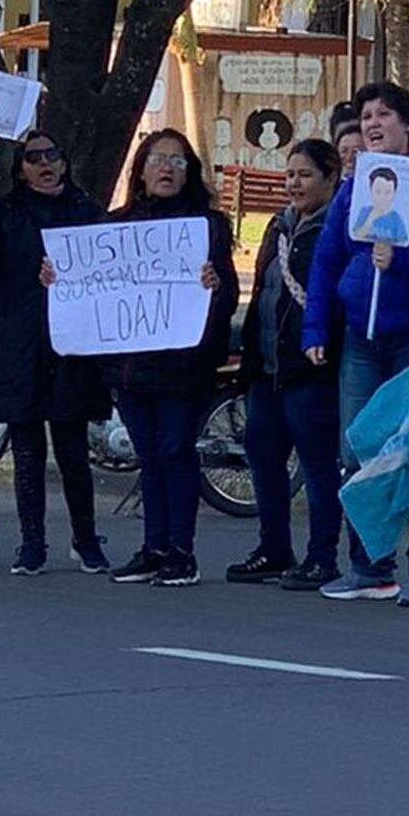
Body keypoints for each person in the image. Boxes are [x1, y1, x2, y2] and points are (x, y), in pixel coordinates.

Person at [302, 81, 409, 607]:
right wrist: (315, 326)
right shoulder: (355, 186)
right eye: (365, 115)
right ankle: (370, 565)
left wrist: (401, 262)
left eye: (383, 115)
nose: (372, 123)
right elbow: (328, 258)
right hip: (361, 337)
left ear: (407, 124)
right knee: (358, 448)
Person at [91, 130, 238, 587]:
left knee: (175, 452)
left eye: (177, 161)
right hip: (131, 367)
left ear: (189, 171)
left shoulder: (207, 226)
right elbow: (93, 290)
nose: (167, 169)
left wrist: (217, 285)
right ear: (142, 169)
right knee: (150, 456)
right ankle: (153, 547)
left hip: (182, 366)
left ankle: (181, 551)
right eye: (158, 159)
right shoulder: (116, 227)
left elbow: (228, 296)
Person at [0, 131, 113, 576]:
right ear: (21, 169)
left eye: (53, 154)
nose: (45, 163)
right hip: (21, 343)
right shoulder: (5, 213)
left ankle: (86, 538)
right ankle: (31, 542)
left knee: (72, 451)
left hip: (70, 346)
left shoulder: (86, 211)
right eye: (34, 158)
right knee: (28, 451)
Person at [227, 139, 348, 590]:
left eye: (305, 174)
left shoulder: (337, 231)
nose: (294, 183)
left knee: (317, 465)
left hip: (311, 368)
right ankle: (274, 547)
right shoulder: (278, 227)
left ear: (331, 177)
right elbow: (262, 293)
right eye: (290, 174)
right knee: (263, 458)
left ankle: (322, 555)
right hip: (267, 367)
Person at [351, 166, 409, 242]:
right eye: (378, 192)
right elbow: (356, 235)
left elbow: (403, 243)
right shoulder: (365, 212)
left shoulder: (397, 220)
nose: (382, 198)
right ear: (371, 191)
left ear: (394, 193)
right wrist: (370, 219)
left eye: (387, 193)